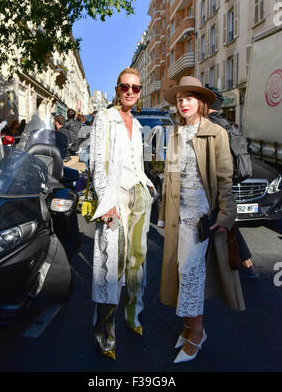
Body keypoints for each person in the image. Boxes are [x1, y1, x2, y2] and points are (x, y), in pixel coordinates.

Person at [158, 76, 245, 364]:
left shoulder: (215, 133)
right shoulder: (173, 135)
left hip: (200, 219)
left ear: (201, 102)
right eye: (180, 98)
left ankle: (197, 332)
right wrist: (162, 214)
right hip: (176, 218)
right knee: (179, 272)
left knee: (189, 272)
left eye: (190, 98)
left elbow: (225, 179)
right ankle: (188, 325)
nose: (183, 103)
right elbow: (168, 182)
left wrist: (226, 215)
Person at [89, 67, 155, 360]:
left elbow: (137, 162)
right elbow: (97, 162)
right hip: (114, 198)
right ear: (117, 90)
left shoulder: (138, 124)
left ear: (140, 92)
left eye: (135, 88)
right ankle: (104, 332)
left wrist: (148, 185)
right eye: (125, 87)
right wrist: (105, 201)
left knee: (137, 261)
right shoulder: (105, 118)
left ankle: (133, 316)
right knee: (112, 266)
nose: (130, 91)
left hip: (139, 195)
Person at [207, 89, 259, 278]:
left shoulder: (211, 125)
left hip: (218, 181)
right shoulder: (228, 122)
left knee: (223, 222)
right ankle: (246, 264)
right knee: (225, 221)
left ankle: (244, 265)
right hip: (231, 178)